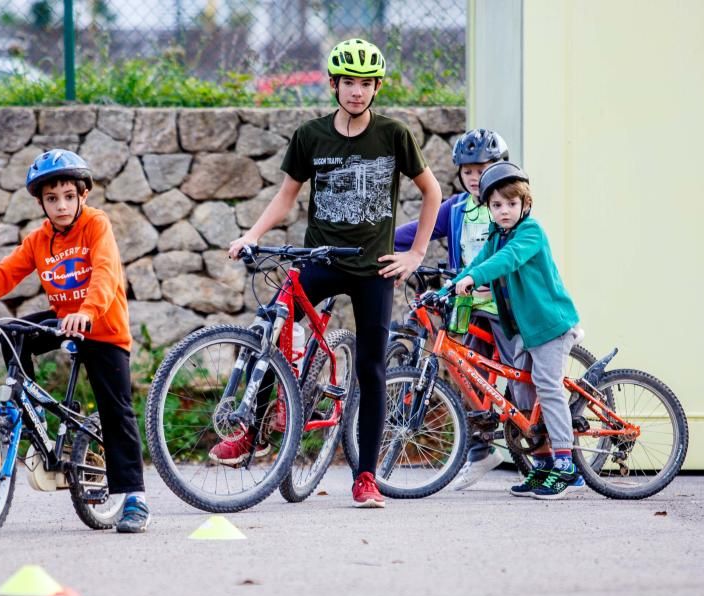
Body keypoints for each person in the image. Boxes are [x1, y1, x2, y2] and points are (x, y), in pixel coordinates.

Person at [219, 38, 443, 508]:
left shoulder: (394, 134)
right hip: (320, 259)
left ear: (376, 87)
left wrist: (416, 253)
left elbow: (432, 192)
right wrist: (251, 234)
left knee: (371, 367)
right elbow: (285, 198)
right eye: (348, 83)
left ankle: (365, 477)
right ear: (334, 85)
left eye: (365, 84)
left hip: (373, 269)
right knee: (272, 326)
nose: (356, 92)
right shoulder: (311, 135)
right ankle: (253, 432)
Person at [0, 150, 150, 532]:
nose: (61, 206)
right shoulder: (39, 240)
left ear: (83, 196)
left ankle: (136, 498)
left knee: (115, 407)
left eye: (69, 197)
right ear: (41, 202)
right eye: (52, 199)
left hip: (101, 325)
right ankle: (32, 411)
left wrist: (87, 312)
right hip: (63, 321)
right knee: (10, 329)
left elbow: (105, 272)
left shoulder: (96, 225)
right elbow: (6, 272)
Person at [452, 162, 585, 499]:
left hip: (550, 326)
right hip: (523, 331)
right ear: (489, 208)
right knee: (521, 392)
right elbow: (477, 263)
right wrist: (443, 290)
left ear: (525, 204)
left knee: (547, 386)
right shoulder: (498, 235)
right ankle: (541, 466)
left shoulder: (530, 233)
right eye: (496, 205)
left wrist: (473, 280)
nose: (504, 210)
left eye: (511, 204)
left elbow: (505, 261)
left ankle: (565, 466)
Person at [395, 128, 514, 490]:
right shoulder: (457, 208)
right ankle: (481, 450)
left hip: (507, 307)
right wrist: (374, 240)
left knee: (521, 378)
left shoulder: (508, 207)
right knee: (466, 374)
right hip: (468, 306)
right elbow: (414, 233)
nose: (476, 178)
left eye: (484, 168)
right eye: (469, 171)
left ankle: (543, 451)